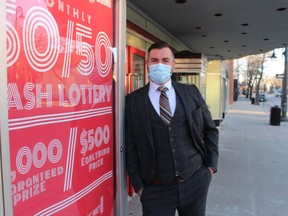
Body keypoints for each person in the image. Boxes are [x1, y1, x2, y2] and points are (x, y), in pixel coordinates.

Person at [125, 41, 219, 216]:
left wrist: (210, 168)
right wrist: (139, 187)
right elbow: (130, 147)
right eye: (154, 60)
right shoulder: (132, 101)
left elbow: (210, 130)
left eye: (165, 60)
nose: (159, 64)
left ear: (173, 65)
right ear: (147, 64)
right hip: (155, 191)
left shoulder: (191, 92)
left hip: (195, 181)